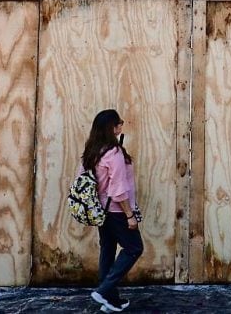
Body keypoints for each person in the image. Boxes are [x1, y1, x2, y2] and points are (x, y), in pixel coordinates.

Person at [81, 108, 143, 312]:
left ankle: (111, 300)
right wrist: (130, 215)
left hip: (101, 210)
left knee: (107, 249)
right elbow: (118, 190)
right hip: (116, 210)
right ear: (112, 127)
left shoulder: (93, 150)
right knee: (134, 248)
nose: (121, 125)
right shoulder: (113, 153)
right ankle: (104, 289)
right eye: (119, 122)